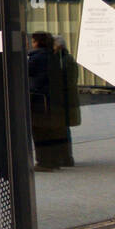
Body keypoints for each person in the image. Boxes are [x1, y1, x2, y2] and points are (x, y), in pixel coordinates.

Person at [28, 31, 69, 170]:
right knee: (50, 131)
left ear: (38, 42)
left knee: (39, 132)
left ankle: (43, 162)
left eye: (33, 41)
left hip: (39, 99)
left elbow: (24, 71)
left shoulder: (37, 57)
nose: (31, 44)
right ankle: (53, 160)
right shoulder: (53, 56)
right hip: (51, 100)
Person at [53, 34, 81, 167]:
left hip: (64, 102)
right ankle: (65, 156)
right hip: (66, 101)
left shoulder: (65, 60)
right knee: (63, 129)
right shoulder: (65, 59)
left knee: (62, 129)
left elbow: (67, 82)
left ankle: (65, 157)